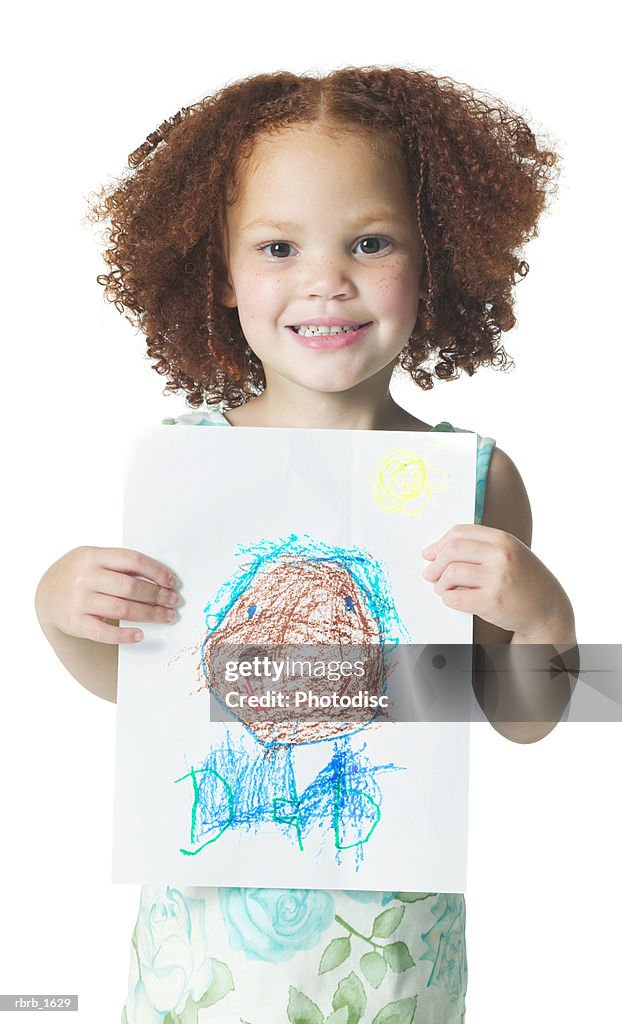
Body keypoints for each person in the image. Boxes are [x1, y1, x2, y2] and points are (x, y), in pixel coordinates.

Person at [35, 66, 576, 1024]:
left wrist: (544, 614)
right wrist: (60, 607)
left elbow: (523, 716)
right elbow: (153, 689)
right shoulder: (183, 468)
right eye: (279, 245)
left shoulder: (475, 478)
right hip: (200, 957)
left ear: (435, 259)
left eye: (370, 243)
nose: (326, 279)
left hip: (395, 957)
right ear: (223, 276)